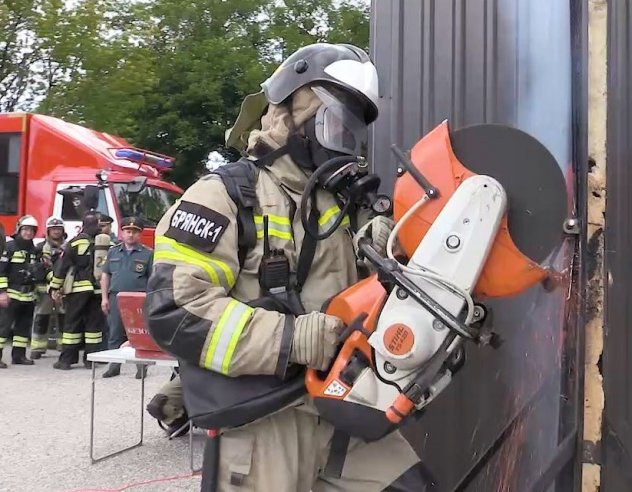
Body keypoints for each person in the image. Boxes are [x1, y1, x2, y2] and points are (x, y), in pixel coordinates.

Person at [145, 43, 434, 491]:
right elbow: (177, 310)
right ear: (293, 116)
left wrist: (394, 249)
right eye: (334, 124)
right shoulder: (223, 196)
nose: (345, 143)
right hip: (266, 418)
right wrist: (293, 339)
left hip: (346, 405)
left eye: (352, 131)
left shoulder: (347, 209)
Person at [49, 212, 106, 370]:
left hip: (78, 289)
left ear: (83, 226)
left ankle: (66, 360)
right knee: (93, 326)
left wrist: (55, 286)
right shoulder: (104, 243)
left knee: (72, 325)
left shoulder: (74, 243)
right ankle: (91, 360)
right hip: (97, 291)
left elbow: (63, 267)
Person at [100, 216, 152, 379]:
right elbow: (105, 275)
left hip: (138, 299)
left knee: (138, 334)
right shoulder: (113, 251)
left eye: (135, 232)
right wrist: (104, 298)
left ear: (140, 234)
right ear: (122, 233)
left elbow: (152, 279)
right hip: (117, 297)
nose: (131, 235)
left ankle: (141, 366)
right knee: (114, 333)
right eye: (128, 231)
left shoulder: (148, 254)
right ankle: (114, 366)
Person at [0, 215, 47, 367]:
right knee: (3, 327)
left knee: (23, 327)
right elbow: (1, 271)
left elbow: (39, 272)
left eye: (31, 230)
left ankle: (19, 356)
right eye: (25, 229)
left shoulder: (34, 250)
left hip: (28, 296)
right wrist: (2, 292)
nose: (28, 233)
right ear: (19, 230)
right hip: (11, 294)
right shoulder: (10, 247)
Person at [30, 216, 68, 359]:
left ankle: (63, 346)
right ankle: (38, 348)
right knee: (41, 317)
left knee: (64, 317)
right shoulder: (40, 248)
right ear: (48, 231)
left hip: (62, 289)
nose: (56, 232)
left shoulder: (69, 247)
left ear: (63, 230)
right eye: (53, 229)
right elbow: (36, 268)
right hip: (44, 290)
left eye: (58, 229)